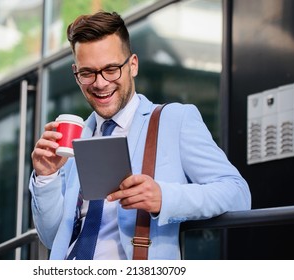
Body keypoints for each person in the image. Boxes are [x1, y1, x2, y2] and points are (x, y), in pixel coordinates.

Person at [29, 11, 251, 260]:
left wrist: (163, 197)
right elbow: (51, 238)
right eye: (87, 73)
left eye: (111, 69)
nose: (100, 83)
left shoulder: (174, 120)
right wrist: (45, 178)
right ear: (76, 73)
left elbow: (238, 194)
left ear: (132, 65)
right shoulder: (74, 138)